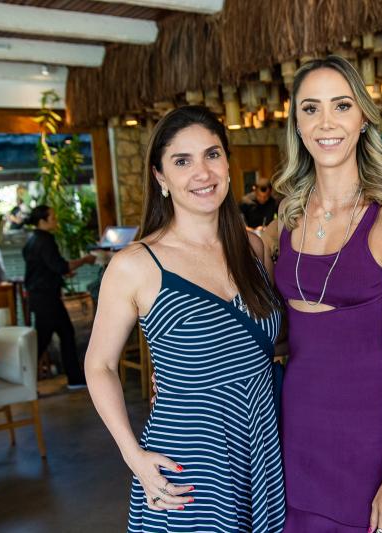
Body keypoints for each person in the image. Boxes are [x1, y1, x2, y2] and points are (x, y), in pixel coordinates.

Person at [84, 106, 286, 532]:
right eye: (182, 161)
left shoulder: (252, 249)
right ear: (160, 177)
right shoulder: (136, 265)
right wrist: (133, 455)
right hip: (191, 462)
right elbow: (99, 365)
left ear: (227, 164)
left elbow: (262, 343)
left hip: (261, 449)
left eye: (212, 154)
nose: (202, 173)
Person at [272, 55, 382, 533]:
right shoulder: (287, 217)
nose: (326, 123)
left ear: (363, 119)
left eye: (341, 106)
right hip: (296, 433)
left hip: (368, 441)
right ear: (297, 125)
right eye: (310, 108)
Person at [23, 205, 96, 388]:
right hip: (47, 299)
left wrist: (59, 273)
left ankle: (74, 378)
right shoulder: (45, 240)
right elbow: (60, 266)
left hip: (40, 297)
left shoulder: (32, 239)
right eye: (53, 217)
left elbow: (46, 267)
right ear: (42, 221)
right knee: (46, 340)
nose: (56, 220)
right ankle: (25, 379)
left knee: (62, 334)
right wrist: (85, 260)